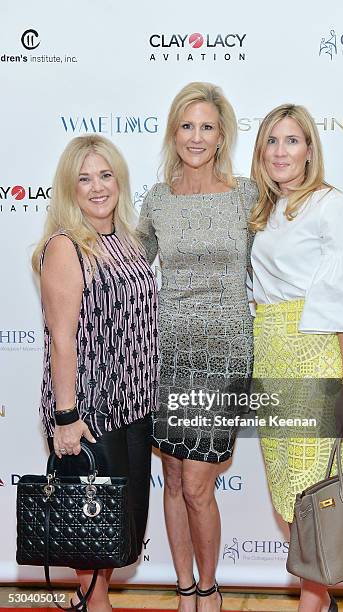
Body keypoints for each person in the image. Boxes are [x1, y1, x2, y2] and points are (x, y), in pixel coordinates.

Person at [249, 104, 343, 612]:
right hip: (270, 352)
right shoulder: (263, 211)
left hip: (315, 351)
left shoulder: (331, 205)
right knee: (285, 488)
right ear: (261, 152)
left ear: (310, 149)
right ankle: (320, 596)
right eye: (271, 142)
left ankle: (311, 602)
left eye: (292, 141)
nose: (281, 152)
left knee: (312, 490)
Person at [137, 82, 257, 612]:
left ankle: (210, 590)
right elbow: (133, 268)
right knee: (170, 477)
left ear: (221, 135)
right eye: (187, 125)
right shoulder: (158, 199)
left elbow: (285, 252)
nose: (196, 136)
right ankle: (184, 591)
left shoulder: (246, 194)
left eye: (207, 126)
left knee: (196, 483)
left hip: (226, 352)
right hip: (168, 353)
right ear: (173, 131)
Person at [32, 135, 159, 612]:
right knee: (89, 530)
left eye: (105, 175)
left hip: (131, 405)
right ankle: (94, 605)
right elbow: (62, 339)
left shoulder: (125, 239)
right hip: (87, 413)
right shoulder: (66, 246)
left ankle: (94, 602)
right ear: (70, 189)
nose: (97, 187)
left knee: (116, 528)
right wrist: (65, 417)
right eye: (84, 179)